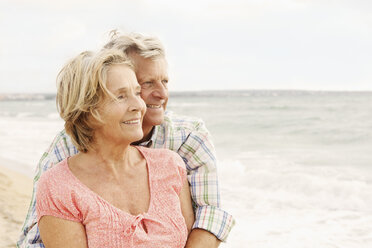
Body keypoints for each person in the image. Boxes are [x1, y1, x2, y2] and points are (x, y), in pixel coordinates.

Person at [18, 32, 235, 248]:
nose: (161, 94)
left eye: (137, 91)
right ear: (88, 109)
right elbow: (35, 238)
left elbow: (210, 215)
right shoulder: (63, 156)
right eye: (147, 84)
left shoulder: (181, 147)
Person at [36, 48, 195, 247]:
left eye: (137, 92)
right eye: (121, 96)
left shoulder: (170, 165)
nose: (138, 105)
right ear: (86, 110)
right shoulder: (59, 187)